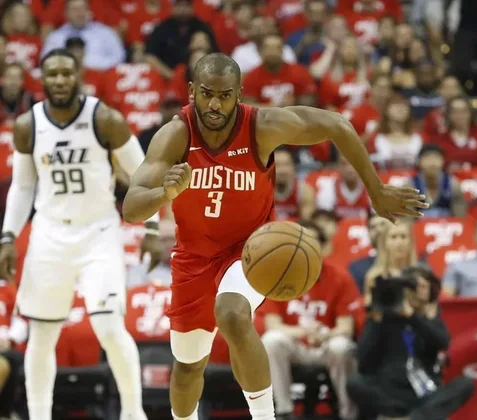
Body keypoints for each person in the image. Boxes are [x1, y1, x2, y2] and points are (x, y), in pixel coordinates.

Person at [120, 52, 427, 420]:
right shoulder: (175, 135)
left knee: (232, 313)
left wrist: (376, 190)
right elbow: (131, 209)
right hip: (193, 258)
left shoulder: (261, 126)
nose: (215, 104)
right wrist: (165, 194)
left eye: (224, 95)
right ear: (191, 92)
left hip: (250, 251)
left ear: (239, 94)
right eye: (206, 94)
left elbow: (337, 125)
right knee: (187, 366)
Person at [0, 49, 161, 420]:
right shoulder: (27, 125)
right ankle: (39, 415)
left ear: (79, 76)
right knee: (42, 334)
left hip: (98, 232)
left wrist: (152, 227)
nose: (59, 80)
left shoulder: (105, 118)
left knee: (109, 326)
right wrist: (8, 236)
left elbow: (143, 173)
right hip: (49, 234)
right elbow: (23, 187)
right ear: (42, 79)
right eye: (52, 74)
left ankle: (133, 412)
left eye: (66, 74)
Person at [260, 221, 363, 420]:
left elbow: (346, 328)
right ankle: (283, 411)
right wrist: (305, 333)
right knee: (271, 341)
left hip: (326, 345)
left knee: (341, 346)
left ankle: (348, 413)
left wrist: (324, 335)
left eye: (312, 243)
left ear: (323, 248)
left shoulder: (340, 277)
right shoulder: (279, 276)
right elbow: (272, 325)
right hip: (296, 346)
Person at [347, 264, 474, 420]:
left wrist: (412, 317)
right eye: (413, 286)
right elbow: (363, 362)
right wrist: (376, 320)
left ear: (431, 291)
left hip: (425, 394)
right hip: (390, 395)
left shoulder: (430, 320)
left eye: (423, 286)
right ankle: (407, 417)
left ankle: (411, 418)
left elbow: (443, 342)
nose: (418, 290)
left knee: (465, 384)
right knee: (354, 381)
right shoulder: (384, 319)